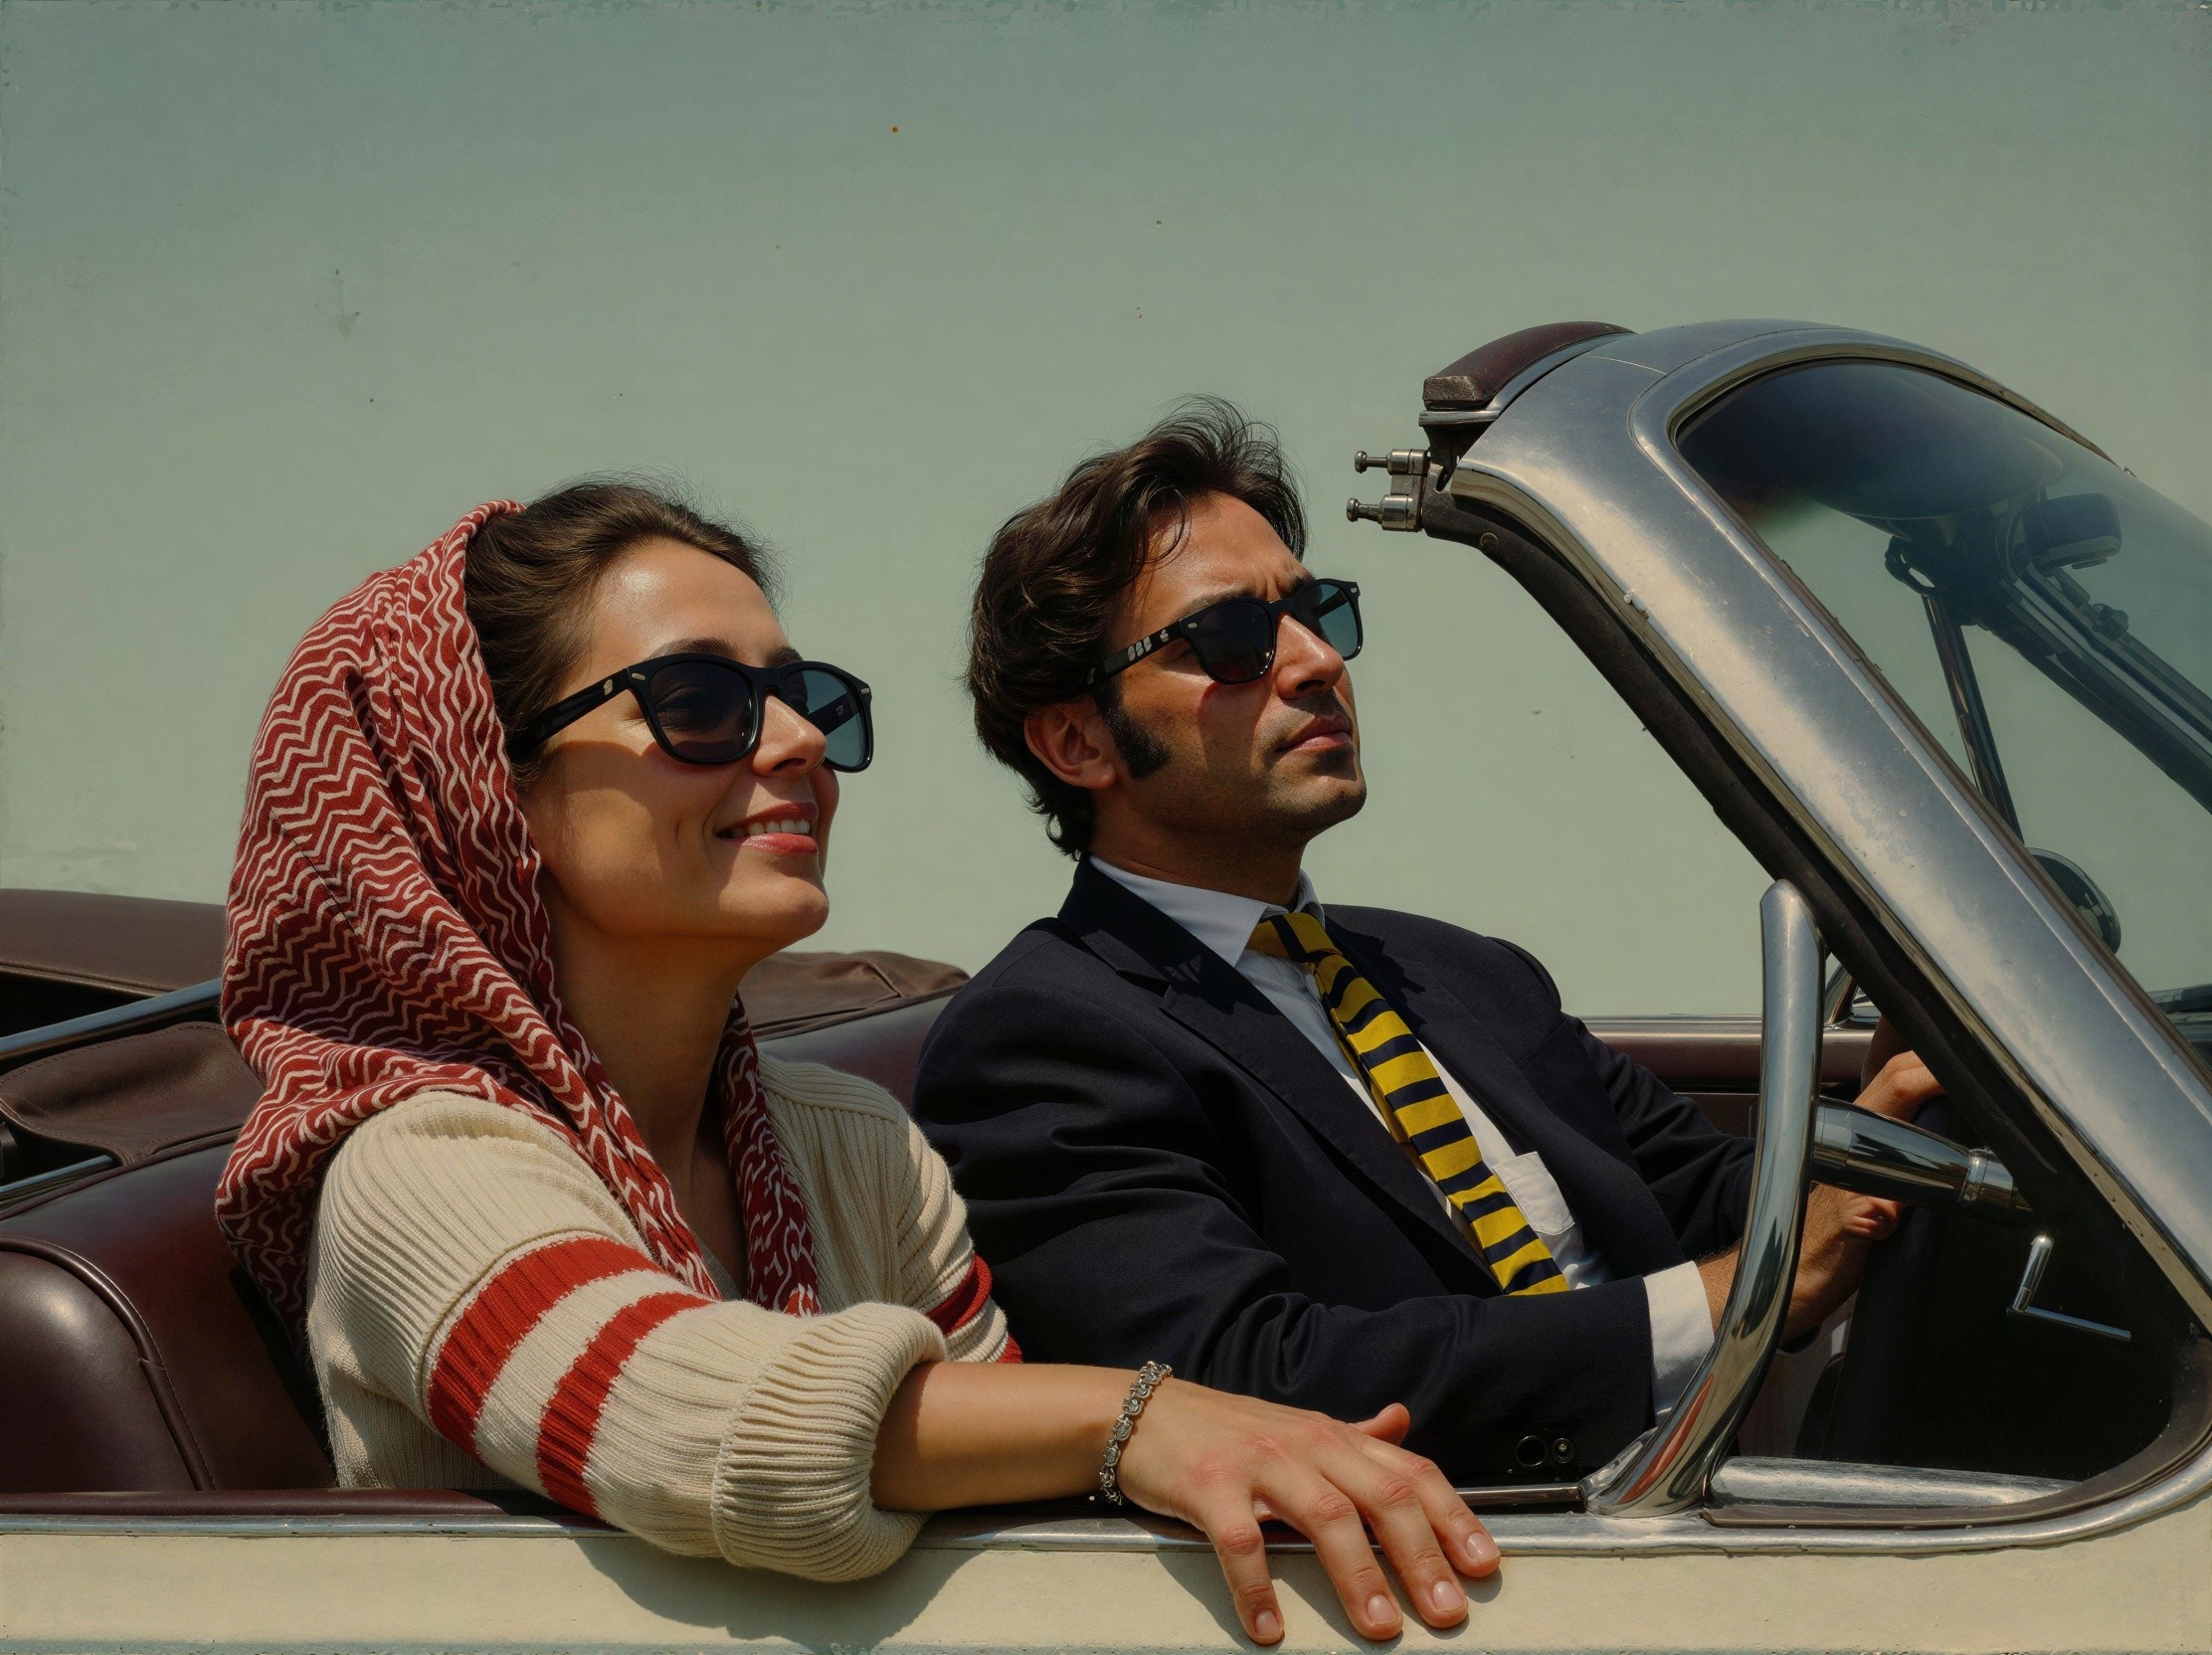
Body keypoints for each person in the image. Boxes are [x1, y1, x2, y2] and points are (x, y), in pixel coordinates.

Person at [215, 482, 1498, 1645]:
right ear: (486, 791)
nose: (797, 743)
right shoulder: (414, 1161)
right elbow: (685, 1419)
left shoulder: (846, 1137)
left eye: (799, 696)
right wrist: (1145, 1415)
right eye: (701, 704)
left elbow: (1023, 1517)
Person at [913, 402, 1940, 1483]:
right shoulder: (1042, 1035)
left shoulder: (1460, 968)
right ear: (1078, 739)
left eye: (1317, 612)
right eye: (1231, 637)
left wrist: (1880, 1132)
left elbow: (1708, 1192)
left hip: (1695, 1498)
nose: (1314, 661)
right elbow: (1241, 1383)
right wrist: (1741, 1289)